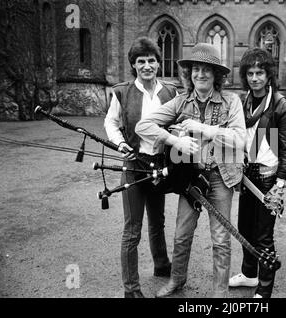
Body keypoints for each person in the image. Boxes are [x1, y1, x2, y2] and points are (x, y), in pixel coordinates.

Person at [135, 43, 246, 298]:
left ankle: (220, 294)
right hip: (190, 179)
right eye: (196, 69)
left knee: (220, 239)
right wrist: (174, 140)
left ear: (216, 75)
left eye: (207, 69)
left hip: (220, 178)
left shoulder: (232, 102)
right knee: (182, 235)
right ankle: (177, 281)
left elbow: (240, 140)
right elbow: (144, 126)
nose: (200, 75)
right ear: (190, 73)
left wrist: (206, 130)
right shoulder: (180, 101)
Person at [104, 36, 177, 298]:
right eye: (141, 61)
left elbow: (177, 122)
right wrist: (121, 144)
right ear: (134, 65)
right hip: (134, 164)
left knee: (158, 221)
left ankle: (161, 264)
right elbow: (111, 123)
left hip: (159, 165)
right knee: (132, 230)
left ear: (158, 63)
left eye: (151, 60)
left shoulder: (170, 92)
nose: (147, 65)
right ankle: (131, 289)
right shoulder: (122, 92)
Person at [228, 48, 286, 298]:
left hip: (269, 178)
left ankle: (264, 289)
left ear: (269, 75)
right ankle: (249, 273)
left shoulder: (280, 104)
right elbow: (240, 138)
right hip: (247, 175)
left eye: (260, 73)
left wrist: (281, 182)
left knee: (263, 235)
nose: (255, 78)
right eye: (251, 73)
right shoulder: (242, 101)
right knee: (245, 228)